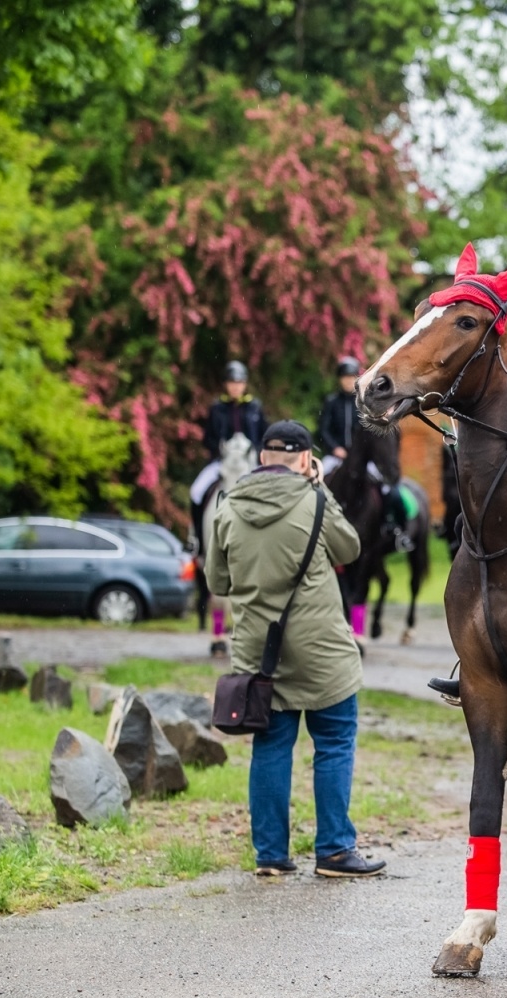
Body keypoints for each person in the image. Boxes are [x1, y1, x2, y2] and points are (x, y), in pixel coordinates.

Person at [205, 420, 386, 877]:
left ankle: (271, 856)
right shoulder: (316, 500)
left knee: (269, 748)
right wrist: (322, 490)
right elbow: (349, 550)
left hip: (258, 657)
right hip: (322, 652)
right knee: (334, 743)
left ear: (262, 458)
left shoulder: (227, 508)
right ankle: (334, 852)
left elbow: (217, 582)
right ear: (306, 460)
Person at [318, 356, 413, 551]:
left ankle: (393, 528)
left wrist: (357, 453)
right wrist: (335, 447)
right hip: (335, 457)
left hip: (362, 459)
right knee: (318, 486)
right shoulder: (331, 402)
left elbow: (370, 435)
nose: (347, 380)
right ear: (339, 379)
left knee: (388, 490)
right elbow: (324, 429)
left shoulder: (364, 403)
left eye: (351, 376)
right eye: (344, 377)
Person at [190, 361, 267, 535]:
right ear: (226, 384)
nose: (235, 387)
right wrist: (219, 450)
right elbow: (207, 438)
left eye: (239, 383)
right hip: (222, 461)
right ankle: (197, 540)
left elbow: (264, 436)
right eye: (232, 383)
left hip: (250, 462)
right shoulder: (217, 408)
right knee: (196, 491)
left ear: (245, 384)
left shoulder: (255, 407)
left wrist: (257, 451)